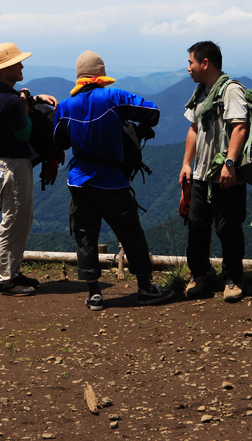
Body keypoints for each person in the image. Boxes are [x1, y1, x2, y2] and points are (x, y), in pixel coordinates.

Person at [53, 51, 174, 311]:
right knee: (131, 234)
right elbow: (153, 113)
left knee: (85, 236)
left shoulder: (65, 106)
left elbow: (60, 141)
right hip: (111, 182)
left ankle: (94, 294)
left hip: (80, 182)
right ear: (100, 75)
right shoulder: (114, 97)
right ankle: (144, 288)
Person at [0, 42, 59, 296]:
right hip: (13, 165)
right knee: (15, 220)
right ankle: (6, 280)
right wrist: (26, 107)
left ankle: (13, 271)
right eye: (17, 63)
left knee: (14, 217)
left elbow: (10, 110)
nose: (22, 66)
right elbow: (24, 132)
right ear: (4, 69)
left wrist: (31, 99)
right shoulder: (12, 102)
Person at [179, 41, 249, 302]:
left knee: (227, 228)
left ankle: (233, 280)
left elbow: (239, 127)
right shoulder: (201, 93)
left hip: (226, 174)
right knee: (197, 225)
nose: (188, 68)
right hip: (201, 174)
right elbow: (194, 129)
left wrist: (229, 164)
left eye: (191, 63)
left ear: (205, 63)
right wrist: (187, 164)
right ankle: (199, 275)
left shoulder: (231, 91)